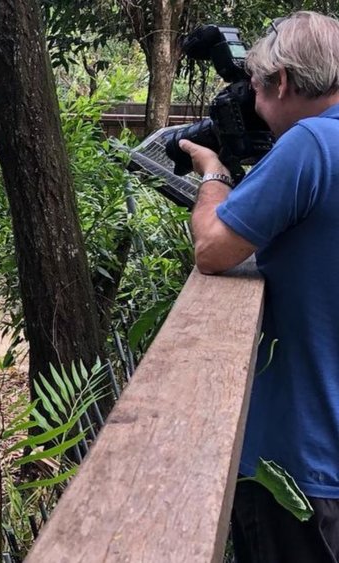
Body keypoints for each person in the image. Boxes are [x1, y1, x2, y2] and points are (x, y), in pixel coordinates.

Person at [178, 11, 339, 562]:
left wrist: (213, 173)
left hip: (299, 464)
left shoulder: (312, 144)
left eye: (256, 90)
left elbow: (213, 249)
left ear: (285, 83)